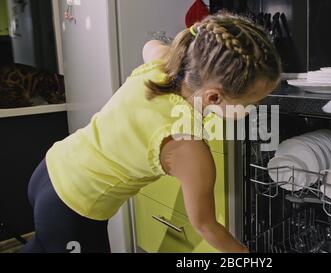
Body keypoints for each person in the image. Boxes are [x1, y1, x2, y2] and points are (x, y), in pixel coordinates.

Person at [21, 12, 281, 253]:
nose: (256, 108)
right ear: (214, 96)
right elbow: (206, 225)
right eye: (253, 102)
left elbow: (151, 44)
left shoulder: (162, 65)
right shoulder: (189, 146)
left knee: (43, 246)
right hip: (73, 208)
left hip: (50, 169)